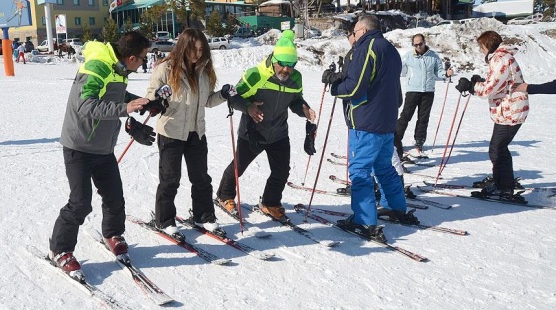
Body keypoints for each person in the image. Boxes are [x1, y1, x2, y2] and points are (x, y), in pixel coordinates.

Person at [49, 31, 157, 279]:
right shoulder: (98, 66)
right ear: (130, 57)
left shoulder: (119, 69)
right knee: (80, 203)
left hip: (103, 147)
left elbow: (115, 96)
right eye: (142, 58)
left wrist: (142, 102)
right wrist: (124, 108)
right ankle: (61, 250)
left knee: (114, 197)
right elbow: (85, 105)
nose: (143, 63)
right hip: (79, 145)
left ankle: (112, 232)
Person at [323, 15, 418, 242]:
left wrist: (334, 85)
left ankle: (364, 220)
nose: (353, 37)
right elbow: (393, 89)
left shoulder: (367, 48)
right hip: (385, 121)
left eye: (354, 32)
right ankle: (395, 206)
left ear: (363, 30)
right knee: (383, 167)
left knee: (360, 171)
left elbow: (355, 86)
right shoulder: (390, 49)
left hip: (366, 121)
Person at [216, 30, 316, 222]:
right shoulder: (256, 74)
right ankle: (224, 195)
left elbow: (295, 100)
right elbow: (233, 97)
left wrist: (304, 109)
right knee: (239, 167)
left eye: (291, 65)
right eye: (283, 64)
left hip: (278, 133)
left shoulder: (296, 79)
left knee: (281, 171)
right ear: (274, 59)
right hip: (253, 132)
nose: (286, 70)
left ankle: (270, 202)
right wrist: (248, 107)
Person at [146, 29, 233, 237]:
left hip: (196, 132)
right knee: (170, 179)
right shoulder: (166, 69)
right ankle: (164, 219)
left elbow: (207, 102)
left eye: (202, 50)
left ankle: (203, 216)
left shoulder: (204, 71)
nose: (198, 54)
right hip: (171, 132)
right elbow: (150, 98)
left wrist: (222, 95)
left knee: (201, 178)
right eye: (194, 49)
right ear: (183, 47)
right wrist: (158, 97)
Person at [455, 31, 528, 200]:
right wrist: (478, 81)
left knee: (497, 148)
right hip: (508, 109)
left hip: (510, 110)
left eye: (481, 47)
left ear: (488, 45)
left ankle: (504, 186)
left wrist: (471, 86)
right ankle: (503, 183)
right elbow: (497, 83)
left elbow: (490, 88)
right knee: (499, 148)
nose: (481, 51)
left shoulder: (500, 59)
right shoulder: (502, 57)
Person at [394, 34, 454, 159]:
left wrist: (446, 74)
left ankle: (419, 142)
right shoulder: (409, 56)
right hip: (412, 91)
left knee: (423, 118)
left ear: (424, 42)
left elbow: (438, 71)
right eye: (415, 45)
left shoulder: (433, 56)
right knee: (405, 116)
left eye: (420, 44)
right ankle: (396, 140)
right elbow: (398, 68)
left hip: (428, 91)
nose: (418, 47)